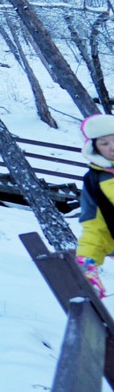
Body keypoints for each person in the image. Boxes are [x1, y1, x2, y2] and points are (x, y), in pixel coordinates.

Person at [77, 114, 114, 297]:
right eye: (104, 143)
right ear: (94, 148)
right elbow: (95, 224)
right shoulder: (95, 181)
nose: (112, 148)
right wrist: (87, 259)